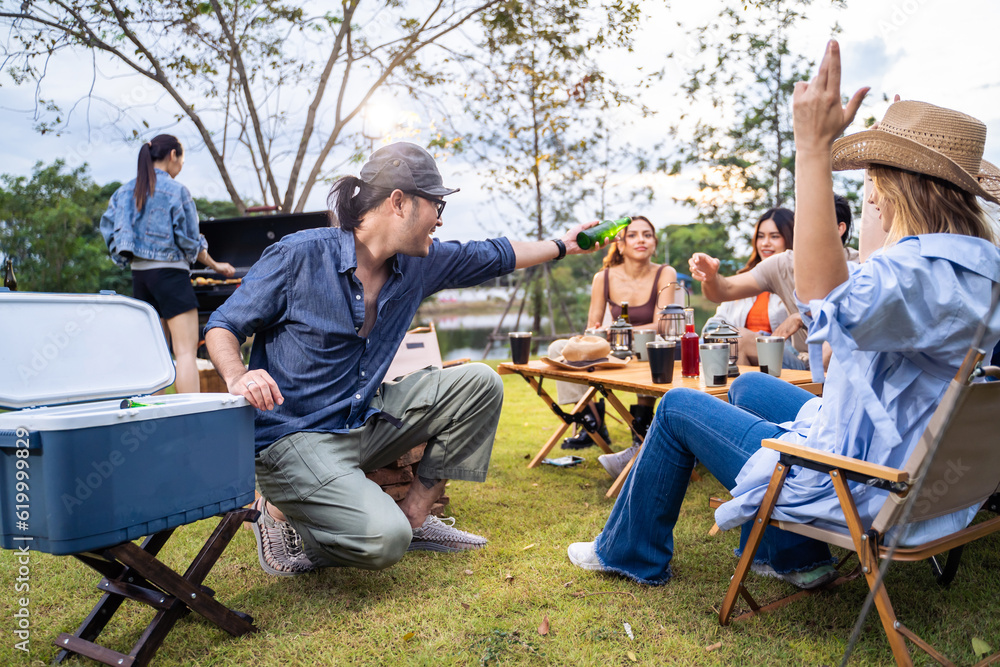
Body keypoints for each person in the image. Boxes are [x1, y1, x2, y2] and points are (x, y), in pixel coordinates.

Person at [566, 40, 1000, 589]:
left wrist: (813, 148)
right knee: (748, 391)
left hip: (862, 481)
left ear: (897, 188)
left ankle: (630, 551)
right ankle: (788, 551)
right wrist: (881, 173)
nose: (874, 199)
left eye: (877, 186)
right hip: (912, 468)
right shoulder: (971, 269)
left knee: (678, 405)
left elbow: (828, 302)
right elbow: (870, 268)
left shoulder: (914, 274)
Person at [205, 142, 604, 576]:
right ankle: (281, 517)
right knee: (384, 540)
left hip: (362, 421)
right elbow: (223, 325)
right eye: (436, 205)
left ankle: (415, 516)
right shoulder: (299, 255)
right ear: (399, 202)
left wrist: (562, 246)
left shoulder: (418, 264)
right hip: (294, 437)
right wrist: (238, 374)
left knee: (479, 382)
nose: (440, 219)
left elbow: (494, 254)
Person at [100, 134, 234, 394]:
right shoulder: (176, 190)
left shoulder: (123, 191)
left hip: (140, 278)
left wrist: (122, 256)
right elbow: (189, 241)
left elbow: (108, 230)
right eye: (182, 159)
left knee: (155, 355)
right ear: (173, 155)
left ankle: (156, 417)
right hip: (171, 275)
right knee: (184, 352)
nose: (181, 166)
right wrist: (217, 265)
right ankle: (190, 420)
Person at [557, 217, 677, 478]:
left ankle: (642, 432)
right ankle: (592, 420)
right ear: (620, 245)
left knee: (652, 348)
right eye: (632, 235)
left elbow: (662, 324)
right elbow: (593, 325)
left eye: (647, 235)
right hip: (617, 348)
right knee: (559, 348)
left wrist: (621, 332)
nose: (641, 240)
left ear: (655, 243)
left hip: (651, 348)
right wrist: (599, 335)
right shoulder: (604, 277)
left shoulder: (665, 273)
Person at [690, 194, 858, 370]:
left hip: (844, 364)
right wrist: (710, 277)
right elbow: (724, 290)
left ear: (839, 228)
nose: (803, 230)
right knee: (738, 339)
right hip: (803, 362)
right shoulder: (784, 263)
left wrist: (803, 316)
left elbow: (865, 316)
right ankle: (743, 397)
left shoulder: (861, 265)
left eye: (814, 222)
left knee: (833, 349)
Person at [703, 208, 794, 363]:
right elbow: (717, 321)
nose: (765, 243)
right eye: (760, 236)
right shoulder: (744, 279)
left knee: (741, 339)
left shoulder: (797, 280)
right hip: (739, 357)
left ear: (789, 238)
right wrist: (709, 277)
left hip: (787, 359)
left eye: (774, 236)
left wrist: (754, 337)